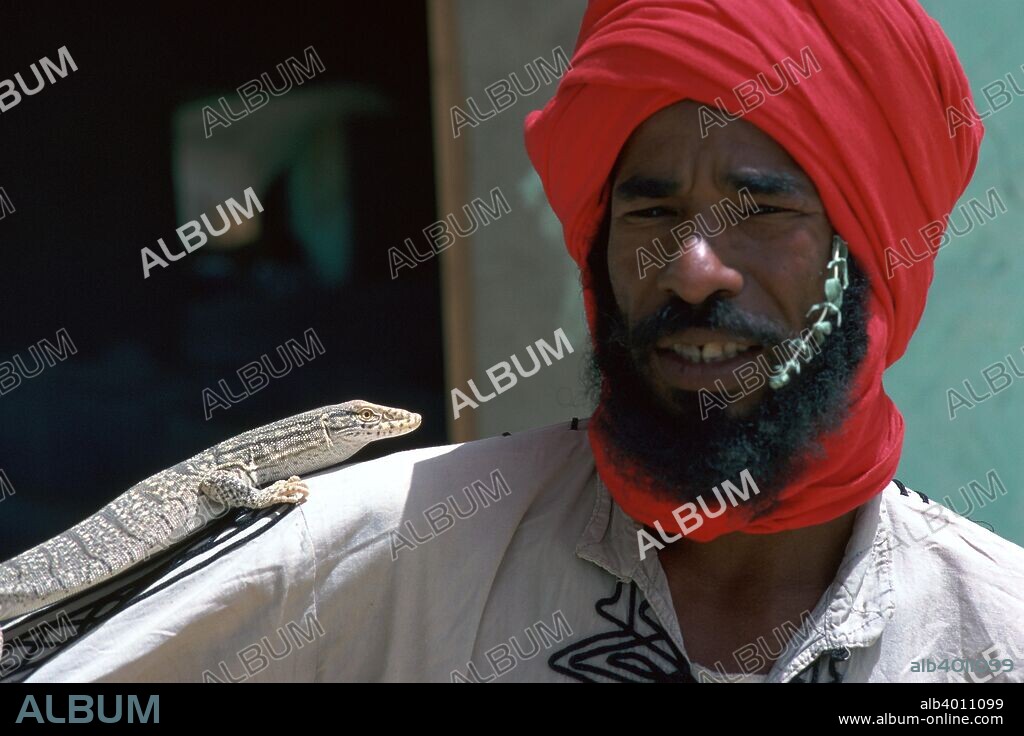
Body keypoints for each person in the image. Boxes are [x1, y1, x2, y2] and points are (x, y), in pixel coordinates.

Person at [10, 0, 1024, 683]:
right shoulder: (379, 544)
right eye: (649, 214)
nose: (692, 267)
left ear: (869, 261)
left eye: (760, 211)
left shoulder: (995, 628)